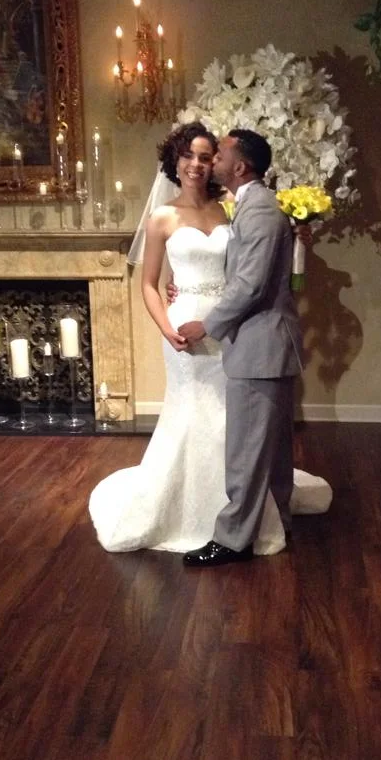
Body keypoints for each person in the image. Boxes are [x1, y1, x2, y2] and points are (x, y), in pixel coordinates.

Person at [88, 123, 330, 555]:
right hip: (188, 327)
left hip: (232, 329)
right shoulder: (163, 217)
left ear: (233, 164)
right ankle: (198, 511)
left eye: (208, 155)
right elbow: (149, 283)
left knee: (239, 428)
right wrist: (166, 323)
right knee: (205, 416)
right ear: (175, 162)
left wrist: (296, 238)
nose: (201, 164)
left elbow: (253, 269)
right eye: (192, 156)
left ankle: (236, 521)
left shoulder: (233, 209)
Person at [178, 129, 307, 567]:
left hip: (261, 348)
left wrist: (206, 326)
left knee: (247, 450)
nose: (213, 159)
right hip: (265, 346)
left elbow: (250, 285)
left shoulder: (260, 212)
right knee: (270, 448)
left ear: (241, 166)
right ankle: (279, 519)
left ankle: (233, 540)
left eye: (222, 153)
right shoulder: (251, 206)